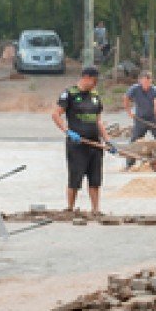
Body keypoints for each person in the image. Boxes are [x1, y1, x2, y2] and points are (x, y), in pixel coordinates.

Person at [54, 65, 106, 216]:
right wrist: (68, 132)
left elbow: (99, 121)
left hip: (95, 144)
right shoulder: (69, 93)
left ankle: (95, 209)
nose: (95, 84)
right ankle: (70, 208)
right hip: (77, 144)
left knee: (95, 179)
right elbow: (56, 115)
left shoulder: (95, 96)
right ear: (86, 77)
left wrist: (108, 141)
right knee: (75, 177)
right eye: (94, 81)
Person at [122, 68, 156, 168]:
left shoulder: (155, 91)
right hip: (140, 119)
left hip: (152, 118)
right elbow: (126, 98)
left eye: (149, 82)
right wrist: (129, 111)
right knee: (134, 141)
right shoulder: (134, 89)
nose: (147, 85)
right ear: (140, 81)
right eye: (145, 82)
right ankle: (130, 164)